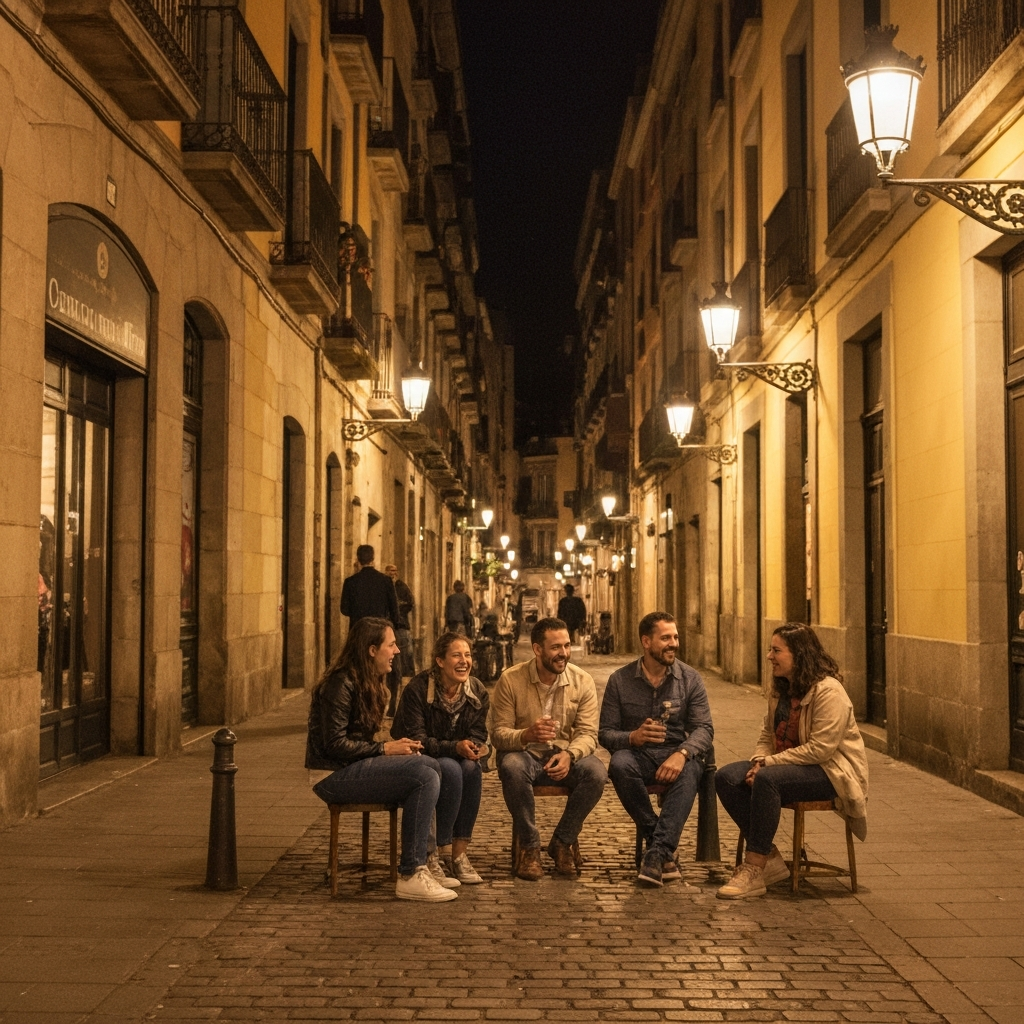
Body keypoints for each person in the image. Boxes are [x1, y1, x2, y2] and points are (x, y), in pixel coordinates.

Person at [305, 617, 457, 902]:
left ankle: (425, 861)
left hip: (352, 767)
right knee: (423, 775)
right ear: (372, 650)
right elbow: (334, 745)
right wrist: (386, 749)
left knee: (430, 764)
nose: (397, 651)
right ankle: (411, 873)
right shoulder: (341, 683)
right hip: (331, 775)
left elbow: (360, 741)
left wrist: (396, 748)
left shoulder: (368, 682)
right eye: (391, 644)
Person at [715, 622, 869, 900]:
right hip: (784, 767)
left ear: (799, 654)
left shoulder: (829, 692)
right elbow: (767, 734)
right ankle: (770, 857)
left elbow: (820, 750)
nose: (769, 657)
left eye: (776, 651)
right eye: (770, 650)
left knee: (767, 779)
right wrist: (759, 760)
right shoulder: (781, 689)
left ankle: (755, 867)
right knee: (726, 777)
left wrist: (767, 765)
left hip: (830, 772)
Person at [599, 612, 714, 887]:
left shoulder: (690, 678)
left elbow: (704, 728)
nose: (673, 643)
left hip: (675, 753)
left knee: (691, 769)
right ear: (646, 642)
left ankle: (655, 853)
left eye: (675, 637)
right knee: (619, 764)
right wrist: (633, 737)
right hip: (638, 756)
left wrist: (682, 754)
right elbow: (605, 733)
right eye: (665, 638)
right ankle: (660, 847)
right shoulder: (620, 680)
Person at [490, 616, 607, 880]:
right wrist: (526, 734)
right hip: (524, 754)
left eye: (566, 645)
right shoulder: (511, 679)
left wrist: (570, 755)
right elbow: (498, 734)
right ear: (537, 649)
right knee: (511, 767)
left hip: (564, 754)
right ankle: (530, 848)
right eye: (555, 647)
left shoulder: (582, 681)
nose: (563, 653)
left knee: (596, 773)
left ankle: (562, 842)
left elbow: (588, 734)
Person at [392, 631, 489, 885]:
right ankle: (437, 852)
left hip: (455, 754)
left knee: (472, 769)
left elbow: (479, 731)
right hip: (420, 756)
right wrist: (455, 747)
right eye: (456, 655)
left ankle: (458, 855)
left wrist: (474, 746)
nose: (464, 661)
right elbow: (417, 739)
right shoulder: (418, 689)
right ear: (440, 661)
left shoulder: (476, 690)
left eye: (467, 655)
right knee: (451, 768)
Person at [340, 545, 401, 714]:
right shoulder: (385, 581)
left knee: (359, 670)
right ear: (373, 559)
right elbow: (395, 611)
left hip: (358, 634)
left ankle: (360, 706)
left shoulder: (350, 582)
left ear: (358, 559)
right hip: (380, 634)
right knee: (380, 672)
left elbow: (344, 609)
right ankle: (378, 707)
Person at [384, 564, 416, 678]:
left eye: (394, 571)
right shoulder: (384, 586)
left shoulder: (401, 586)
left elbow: (410, 603)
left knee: (405, 654)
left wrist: (399, 612)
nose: (392, 573)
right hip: (388, 625)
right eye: (390, 571)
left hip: (401, 626)